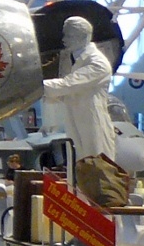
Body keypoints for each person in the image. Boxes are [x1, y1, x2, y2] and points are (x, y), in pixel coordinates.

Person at [43, 16, 114, 162]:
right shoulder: (77, 61)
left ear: (82, 37)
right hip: (79, 122)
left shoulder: (97, 63)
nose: (63, 39)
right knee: (83, 168)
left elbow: (68, 85)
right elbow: (66, 93)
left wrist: (33, 86)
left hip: (92, 124)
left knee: (98, 167)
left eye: (68, 35)